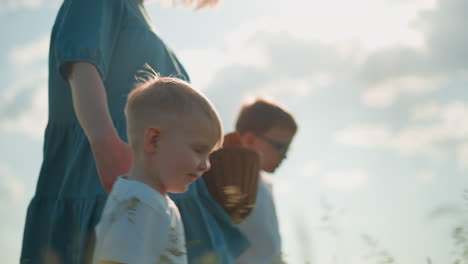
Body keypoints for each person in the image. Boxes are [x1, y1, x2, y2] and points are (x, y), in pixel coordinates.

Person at [20, 0, 248, 263]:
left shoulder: (137, 10)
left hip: (154, 190)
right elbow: (81, 64)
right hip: (104, 175)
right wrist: (104, 141)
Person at [92, 76, 223, 264]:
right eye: (198, 150)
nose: (206, 165)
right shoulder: (139, 205)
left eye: (208, 154)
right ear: (154, 140)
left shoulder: (148, 200)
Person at [232, 98, 298, 264]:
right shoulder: (231, 182)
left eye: (288, 148)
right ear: (250, 140)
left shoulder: (265, 186)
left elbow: (268, 250)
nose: (285, 155)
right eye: (280, 147)